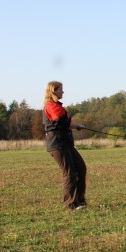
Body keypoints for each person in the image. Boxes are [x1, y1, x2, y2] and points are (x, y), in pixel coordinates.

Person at [43, 81, 88, 210]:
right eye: (61, 89)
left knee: (80, 168)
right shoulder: (51, 106)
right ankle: (71, 204)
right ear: (53, 91)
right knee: (69, 173)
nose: (63, 92)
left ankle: (79, 200)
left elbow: (64, 123)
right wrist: (77, 125)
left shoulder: (57, 106)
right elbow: (62, 123)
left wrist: (76, 125)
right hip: (58, 145)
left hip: (65, 144)